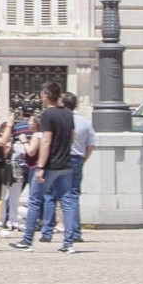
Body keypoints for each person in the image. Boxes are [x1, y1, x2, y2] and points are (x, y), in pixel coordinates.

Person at [15, 80, 78, 253]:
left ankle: (27, 240)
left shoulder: (47, 115)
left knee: (35, 200)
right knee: (67, 202)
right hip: (66, 163)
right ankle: (68, 242)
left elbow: (46, 142)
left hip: (50, 165)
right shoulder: (68, 113)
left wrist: (41, 166)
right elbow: (72, 137)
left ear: (45, 96)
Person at [58, 90, 94, 245]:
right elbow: (91, 144)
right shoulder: (84, 121)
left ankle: (51, 230)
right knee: (73, 196)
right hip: (78, 158)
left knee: (56, 196)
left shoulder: (60, 119)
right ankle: (75, 232)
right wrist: (83, 158)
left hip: (62, 158)